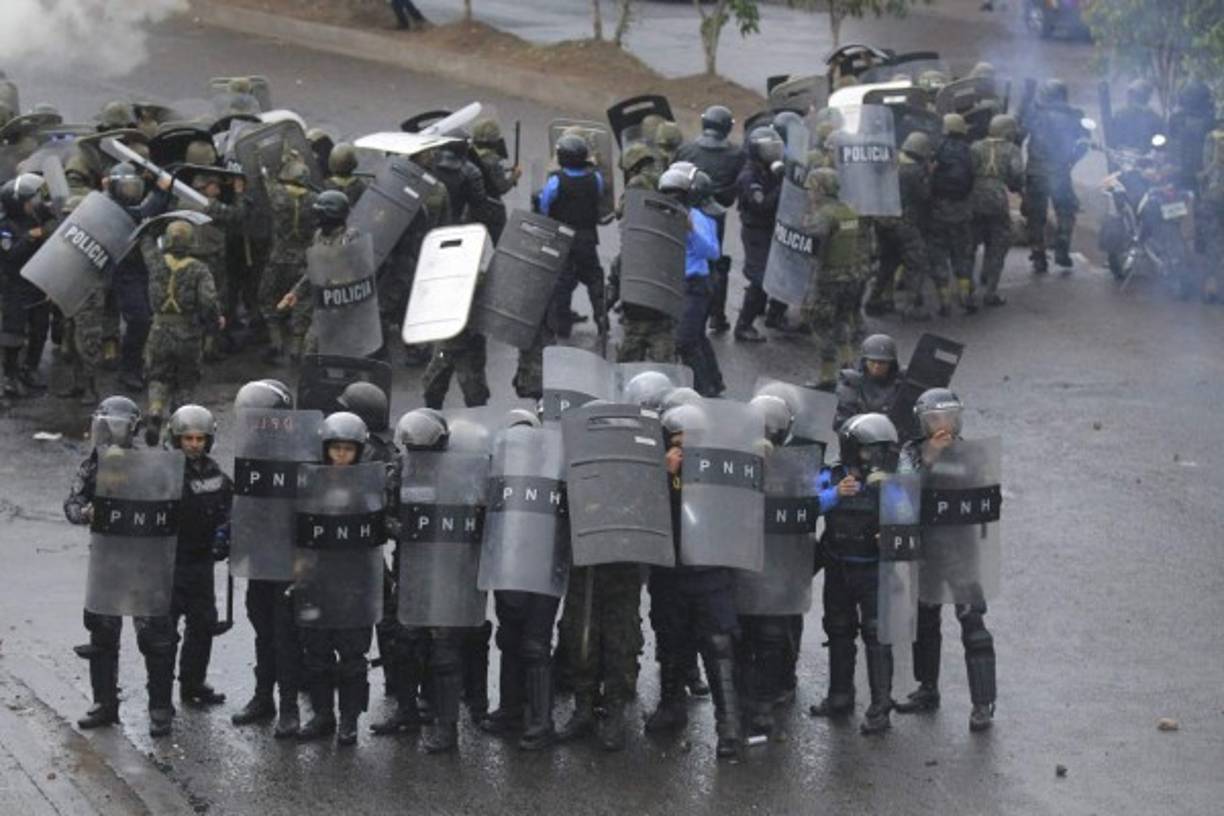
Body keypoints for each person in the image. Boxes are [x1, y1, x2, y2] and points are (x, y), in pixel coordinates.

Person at [66, 396, 179, 736]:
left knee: (156, 636)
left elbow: (171, 499)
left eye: (115, 426)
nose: (109, 433)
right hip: (108, 559)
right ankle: (104, 703)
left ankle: (160, 706)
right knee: (102, 631)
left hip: (144, 559)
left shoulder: (149, 461)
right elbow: (72, 502)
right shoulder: (94, 463)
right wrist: (85, 513)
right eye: (104, 425)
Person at [893, 388, 997, 732]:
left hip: (962, 550)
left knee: (974, 624)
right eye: (935, 418)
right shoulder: (911, 452)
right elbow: (901, 495)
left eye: (949, 417)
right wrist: (929, 460)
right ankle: (927, 688)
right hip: (926, 549)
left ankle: (982, 703)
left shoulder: (970, 452)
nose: (943, 425)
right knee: (925, 619)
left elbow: (987, 498)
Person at [647, 402, 746, 758]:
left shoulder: (719, 471)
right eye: (677, 441)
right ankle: (671, 707)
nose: (683, 448)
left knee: (718, 644)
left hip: (709, 569)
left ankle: (729, 726)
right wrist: (664, 475)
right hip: (670, 569)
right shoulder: (657, 468)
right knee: (671, 641)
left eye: (690, 441)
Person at [808, 413, 901, 735]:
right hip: (838, 566)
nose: (874, 459)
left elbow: (910, 522)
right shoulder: (830, 475)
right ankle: (840, 697)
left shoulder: (894, 480)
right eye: (867, 451)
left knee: (876, 635)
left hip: (874, 571)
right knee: (838, 630)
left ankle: (880, 706)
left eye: (880, 451)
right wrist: (836, 494)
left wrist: (889, 533)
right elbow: (806, 506)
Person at [479, 410, 564, 751]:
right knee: (509, 637)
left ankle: (542, 722)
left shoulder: (556, 475)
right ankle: (512, 709)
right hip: (508, 568)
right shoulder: (493, 476)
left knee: (535, 644)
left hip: (542, 570)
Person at [297, 412, 378, 746]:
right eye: (336, 449)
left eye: (348, 449)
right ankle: (322, 714)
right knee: (316, 653)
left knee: (352, 657)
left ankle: (349, 719)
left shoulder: (371, 488)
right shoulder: (310, 483)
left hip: (356, 582)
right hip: (317, 580)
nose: (341, 456)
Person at [230, 379, 304, 739]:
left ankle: (289, 707)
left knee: (286, 635)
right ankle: (264, 698)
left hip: (289, 561)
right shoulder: (250, 453)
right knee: (263, 631)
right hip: (259, 560)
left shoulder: (300, 451)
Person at [165, 405, 233, 707]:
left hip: (202, 562)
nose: (194, 444)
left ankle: (192, 683)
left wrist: (223, 537)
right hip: (170, 563)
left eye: (199, 439)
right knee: (164, 633)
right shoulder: (164, 470)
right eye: (187, 438)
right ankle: (161, 695)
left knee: (203, 623)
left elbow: (229, 511)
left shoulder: (216, 473)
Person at [140, 220, 222, 447]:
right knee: (185, 381)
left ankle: (155, 410)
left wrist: (152, 224)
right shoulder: (199, 269)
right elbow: (208, 301)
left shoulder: (155, 261)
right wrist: (213, 324)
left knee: (157, 375)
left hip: (159, 330)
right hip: (188, 333)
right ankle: (177, 427)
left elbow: (145, 241)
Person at [797, 168, 870, 391]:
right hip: (851, 277)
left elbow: (809, 231)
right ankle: (849, 367)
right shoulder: (848, 211)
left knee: (820, 324)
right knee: (842, 320)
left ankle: (828, 376)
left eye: (811, 188)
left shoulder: (825, 214)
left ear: (820, 189)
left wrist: (805, 216)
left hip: (829, 279)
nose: (809, 193)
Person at [676, 106, 746, 335]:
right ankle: (716, 315)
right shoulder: (736, 154)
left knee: (683, 258)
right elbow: (733, 192)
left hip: (684, 212)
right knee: (714, 262)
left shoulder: (685, 150)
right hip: (714, 215)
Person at [540, 132, 606, 342]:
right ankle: (602, 320)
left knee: (563, 282)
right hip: (588, 238)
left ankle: (562, 327)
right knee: (595, 280)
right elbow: (600, 198)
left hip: (563, 239)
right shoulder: (595, 178)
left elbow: (545, 206)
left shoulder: (556, 181)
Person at [1021, 79, 1090, 274]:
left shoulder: (1036, 114)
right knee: (1067, 211)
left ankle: (1038, 255)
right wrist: (1070, 162)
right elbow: (1085, 143)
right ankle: (1062, 246)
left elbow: (1018, 134)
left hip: (1036, 172)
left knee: (1035, 216)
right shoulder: (1076, 116)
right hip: (1060, 173)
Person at [873, 131, 940, 320]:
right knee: (917, 263)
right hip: (904, 224)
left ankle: (875, 300)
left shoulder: (889, 164)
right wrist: (930, 174)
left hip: (883, 221)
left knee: (887, 263)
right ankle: (911, 307)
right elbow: (924, 196)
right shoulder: (914, 171)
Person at [260, 157, 317, 362]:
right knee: (300, 301)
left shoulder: (277, 194)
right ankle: (296, 346)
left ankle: (275, 342)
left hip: (278, 258)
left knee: (268, 299)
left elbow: (264, 176)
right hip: (303, 260)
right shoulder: (315, 199)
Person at [0, 173, 51, 396]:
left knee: (40, 329)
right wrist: (30, 237)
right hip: (15, 287)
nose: (34, 204)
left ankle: (30, 368)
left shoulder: (37, 218)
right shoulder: (5, 227)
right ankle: (10, 375)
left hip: (38, 282)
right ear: (18, 203)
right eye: (30, 201)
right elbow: (10, 254)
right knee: (13, 332)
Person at [733, 127, 784, 342]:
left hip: (775, 228)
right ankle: (743, 325)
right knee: (761, 278)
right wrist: (784, 185)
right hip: (756, 232)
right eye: (767, 150)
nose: (772, 154)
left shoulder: (772, 170)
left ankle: (776, 315)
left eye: (775, 149)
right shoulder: (749, 176)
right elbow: (760, 205)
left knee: (784, 274)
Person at [929, 113, 978, 313]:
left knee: (938, 255)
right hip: (962, 210)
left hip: (938, 210)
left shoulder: (936, 149)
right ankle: (965, 295)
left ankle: (944, 301)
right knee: (962, 254)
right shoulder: (970, 151)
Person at [833, 334, 905, 431]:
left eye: (882, 362)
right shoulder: (852, 382)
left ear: (891, 363)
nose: (877, 366)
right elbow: (842, 421)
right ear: (865, 361)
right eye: (872, 361)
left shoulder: (903, 381)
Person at [1110, 79, 1165, 154]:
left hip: (1146, 159)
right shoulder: (1120, 114)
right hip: (1125, 157)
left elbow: (1160, 143)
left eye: (1132, 94)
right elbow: (1114, 140)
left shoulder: (1153, 118)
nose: (1129, 97)